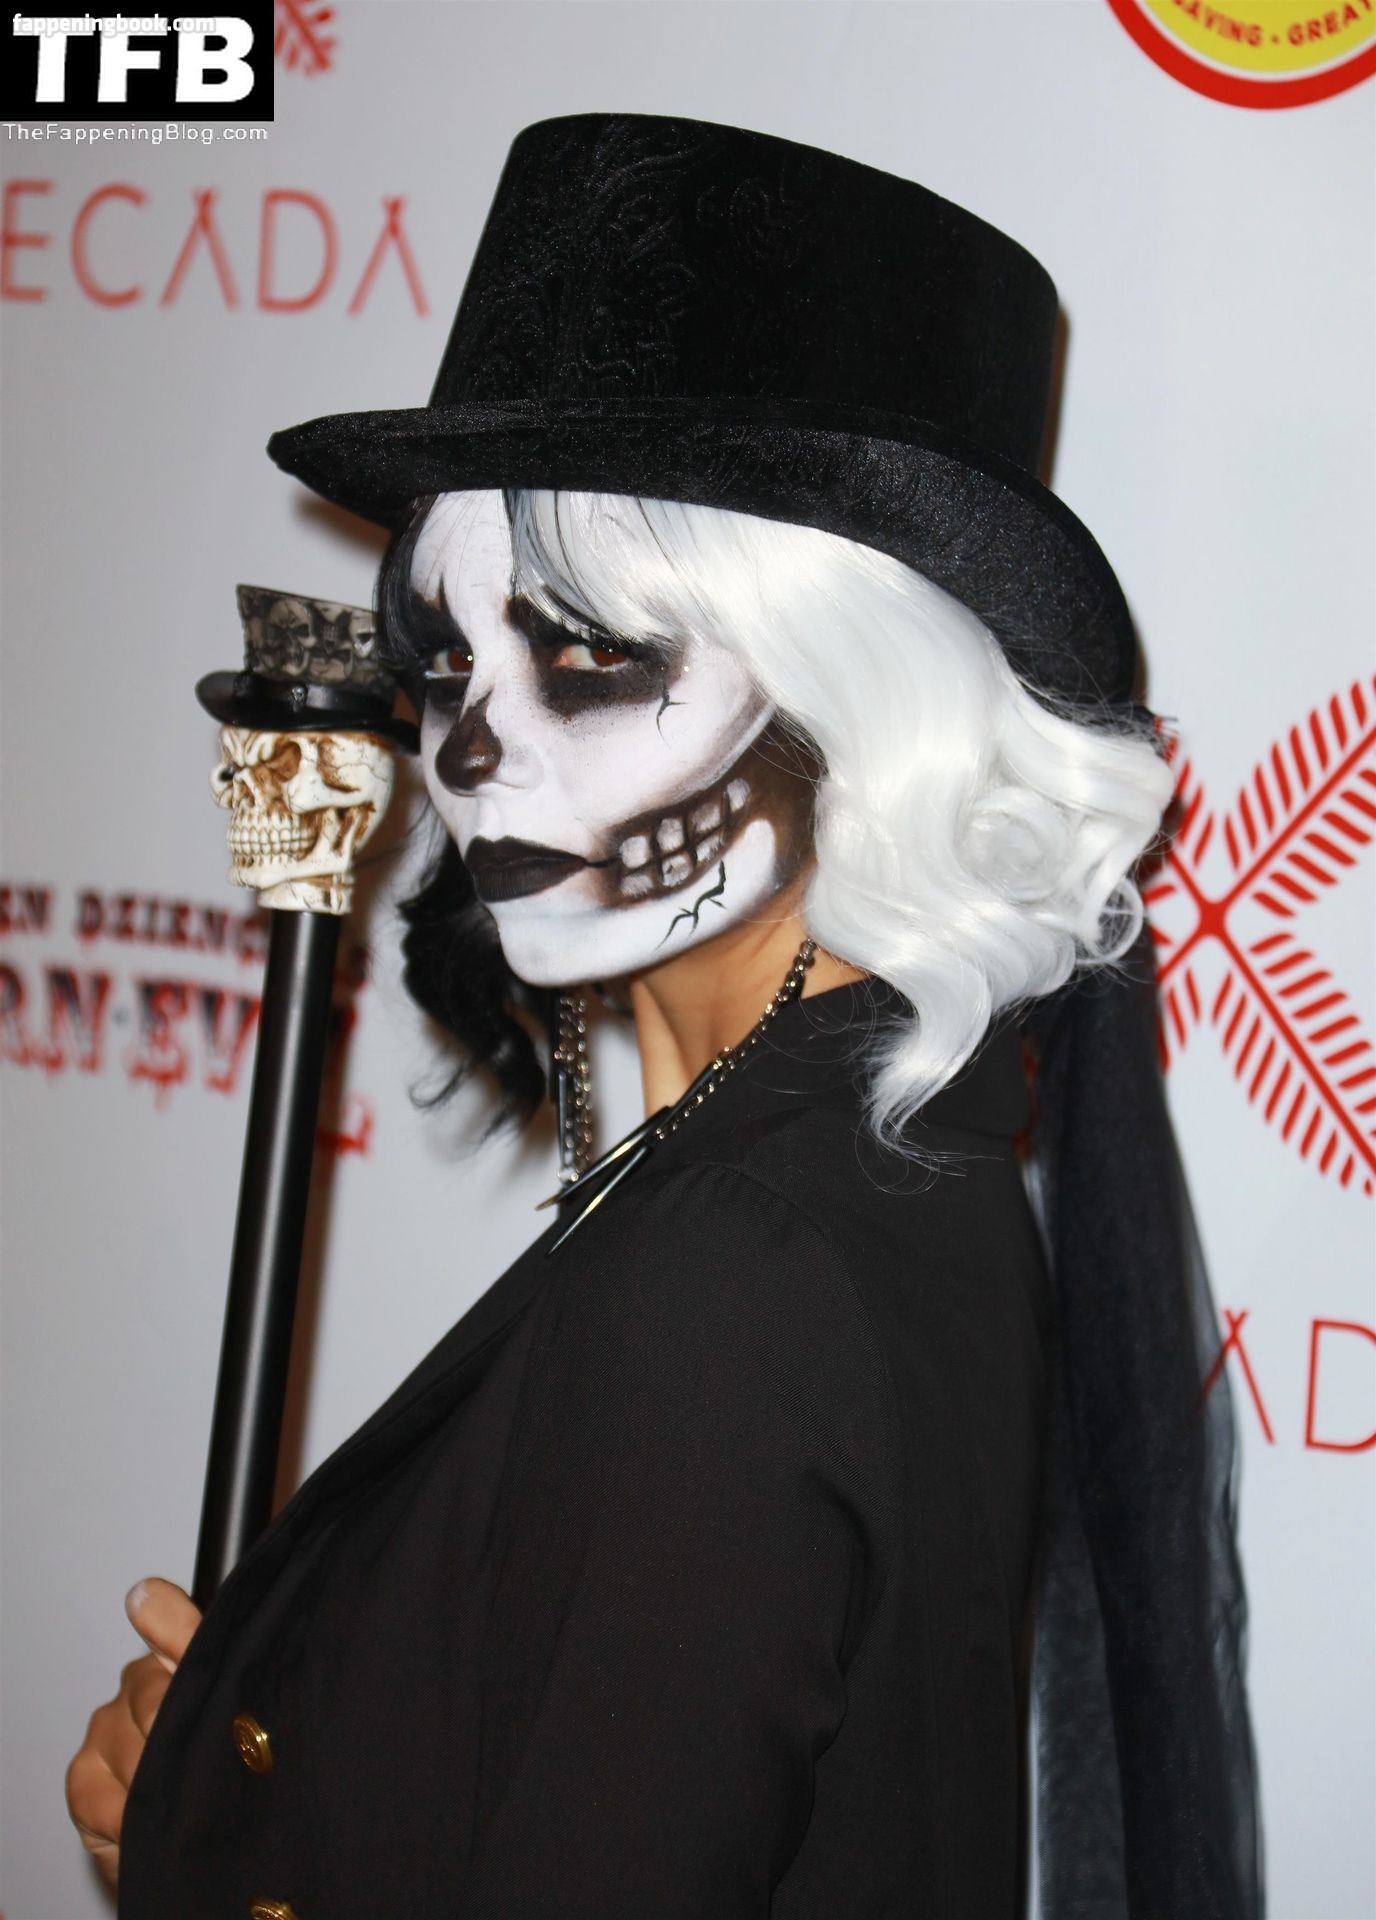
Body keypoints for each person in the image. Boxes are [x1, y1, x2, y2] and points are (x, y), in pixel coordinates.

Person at [66, 114, 1260, 1918]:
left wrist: (204, 1845)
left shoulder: (751, 1263)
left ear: (856, 690)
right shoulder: (882, 1156)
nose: (470, 752)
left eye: (587, 653)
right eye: (446, 663)